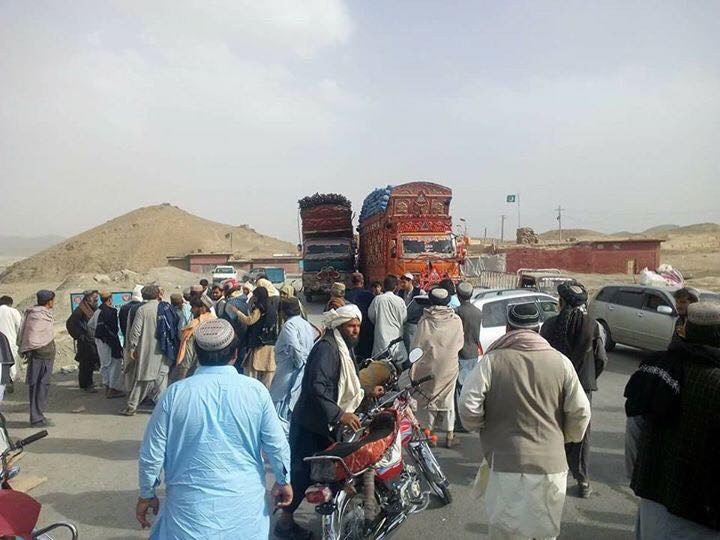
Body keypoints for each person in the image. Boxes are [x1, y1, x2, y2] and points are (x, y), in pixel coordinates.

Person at [137, 319, 291, 539]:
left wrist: (147, 494)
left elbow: (152, 454)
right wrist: (283, 480)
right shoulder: (256, 391)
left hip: (189, 516)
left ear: (197, 353)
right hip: (244, 513)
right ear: (235, 353)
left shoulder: (174, 394)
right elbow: (277, 445)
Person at [459, 302, 591, 540]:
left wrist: (481, 426)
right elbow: (581, 411)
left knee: (505, 533)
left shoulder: (492, 361)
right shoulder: (561, 362)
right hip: (550, 465)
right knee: (544, 533)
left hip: (505, 463)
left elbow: (468, 405)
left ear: (508, 328)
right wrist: (564, 437)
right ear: (538, 329)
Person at [276, 304, 376, 539]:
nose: (356, 330)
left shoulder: (343, 347)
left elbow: (346, 381)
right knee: (302, 473)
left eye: (358, 326)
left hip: (324, 423)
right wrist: (340, 414)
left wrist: (368, 392)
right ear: (339, 327)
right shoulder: (327, 349)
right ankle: (285, 523)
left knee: (335, 470)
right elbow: (317, 386)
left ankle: (337, 516)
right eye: (351, 326)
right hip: (310, 424)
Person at [626, 302, 720, 538]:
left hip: (653, 506)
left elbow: (634, 432)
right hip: (700, 517)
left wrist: (643, 477)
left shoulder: (656, 368)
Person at [541, 282, 607, 498]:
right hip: (582, 388)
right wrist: (588, 378)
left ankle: (550, 475)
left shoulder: (549, 325)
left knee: (553, 428)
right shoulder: (593, 326)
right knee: (582, 433)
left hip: (554, 387)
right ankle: (583, 481)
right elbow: (601, 359)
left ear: (560, 302)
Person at [410, 287, 465, 448]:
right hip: (449, 366)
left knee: (429, 397)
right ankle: (449, 435)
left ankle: (430, 435)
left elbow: (417, 345)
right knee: (448, 399)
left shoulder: (425, 321)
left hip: (428, 366)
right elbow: (460, 344)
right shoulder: (456, 320)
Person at [269, 297, 316, 436]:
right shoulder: (305, 324)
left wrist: (298, 363)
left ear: (283, 312)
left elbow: (295, 347)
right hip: (299, 369)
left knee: (279, 402)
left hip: (288, 371)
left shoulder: (289, 325)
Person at [121, 285, 169, 416]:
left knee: (143, 378)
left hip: (147, 350)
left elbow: (135, 331)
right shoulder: (164, 308)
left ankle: (132, 406)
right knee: (161, 379)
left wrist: (132, 347)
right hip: (164, 349)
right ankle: (162, 407)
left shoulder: (142, 310)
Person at [17, 290, 57, 427]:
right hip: (40, 357)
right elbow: (32, 337)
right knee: (39, 386)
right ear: (49, 301)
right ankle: (36, 418)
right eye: (53, 300)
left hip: (44, 355)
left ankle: (38, 415)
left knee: (41, 386)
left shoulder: (37, 313)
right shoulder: (37, 315)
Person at [227, 286, 278, 388]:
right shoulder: (272, 307)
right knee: (267, 371)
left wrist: (237, 312)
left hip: (259, 344)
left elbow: (249, 320)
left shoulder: (260, 308)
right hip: (269, 342)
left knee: (252, 370)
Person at [455, 281, 482, 433]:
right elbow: (476, 335)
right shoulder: (478, 312)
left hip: (461, 353)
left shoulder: (457, 312)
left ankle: (462, 422)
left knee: (460, 389)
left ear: (458, 295)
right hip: (473, 352)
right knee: (470, 387)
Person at [368, 274, 408, 364]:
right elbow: (404, 318)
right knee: (397, 366)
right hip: (396, 342)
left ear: (384, 286)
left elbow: (371, 316)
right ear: (395, 286)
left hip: (381, 340)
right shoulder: (400, 301)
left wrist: (379, 323)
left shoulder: (377, 300)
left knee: (380, 367)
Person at [66, 289, 100, 393]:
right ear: (88, 299)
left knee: (89, 363)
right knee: (86, 364)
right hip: (85, 342)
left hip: (91, 340)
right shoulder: (80, 310)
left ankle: (86, 383)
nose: (96, 301)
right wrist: (80, 336)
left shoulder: (91, 308)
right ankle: (87, 385)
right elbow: (70, 324)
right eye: (95, 299)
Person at [94, 291, 126, 399]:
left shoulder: (98, 311)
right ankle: (114, 389)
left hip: (100, 341)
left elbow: (91, 325)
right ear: (110, 299)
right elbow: (113, 330)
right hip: (109, 341)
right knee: (115, 364)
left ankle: (107, 386)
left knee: (105, 364)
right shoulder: (111, 312)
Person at [175, 296, 216, 379]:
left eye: (193, 307)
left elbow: (187, 358)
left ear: (202, 308)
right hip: (211, 371)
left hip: (194, 373)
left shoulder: (193, 327)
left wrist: (181, 379)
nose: (191, 310)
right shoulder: (215, 322)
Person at [345, 272, 375, 359]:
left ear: (351, 282)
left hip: (351, 329)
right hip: (367, 329)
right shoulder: (369, 295)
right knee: (366, 355)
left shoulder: (347, 296)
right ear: (362, 282)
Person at [0, 296, 22, 396]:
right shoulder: (13, 311)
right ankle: (9, 380)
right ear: (10, 304)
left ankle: (3, 384)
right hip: (10, 342)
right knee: (10, 363)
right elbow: (20, 327)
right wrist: (20, 342)